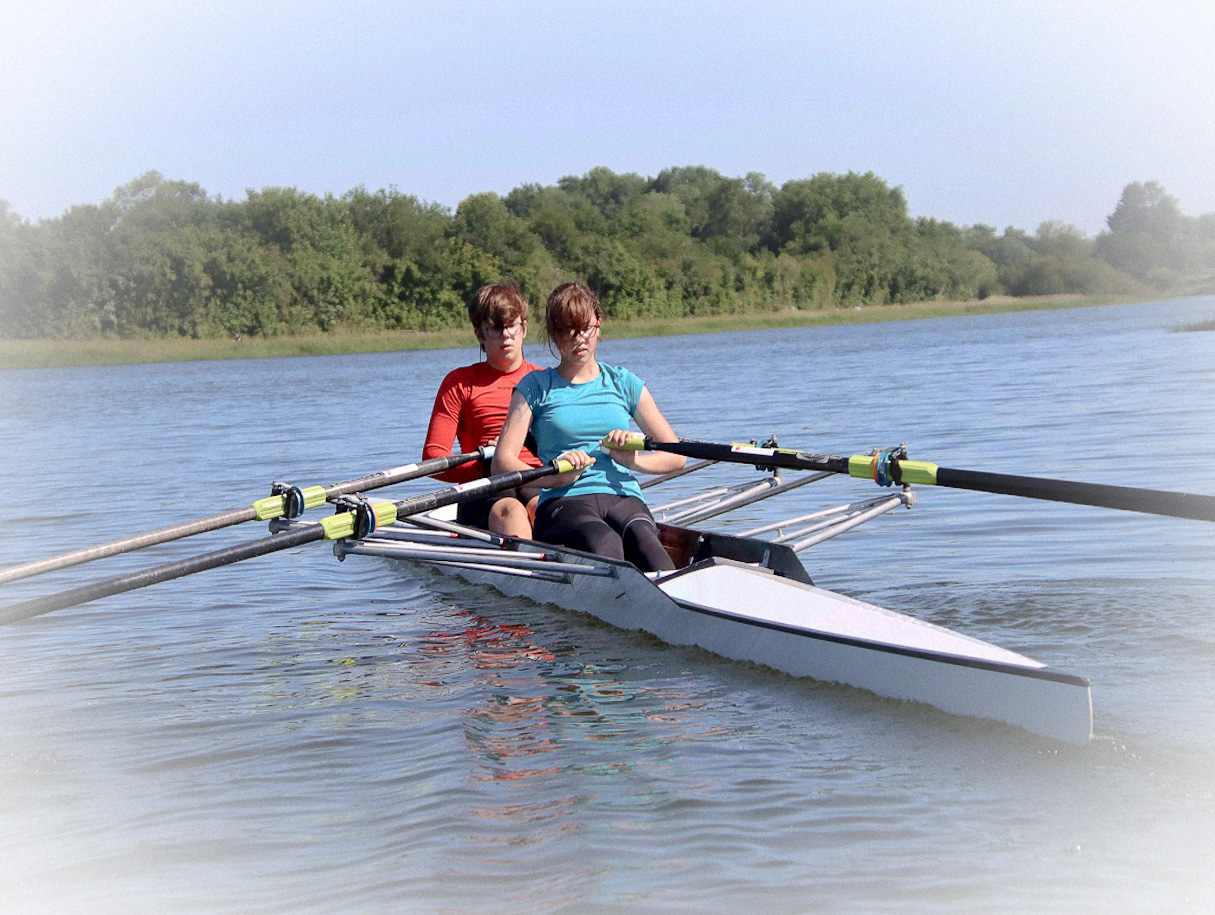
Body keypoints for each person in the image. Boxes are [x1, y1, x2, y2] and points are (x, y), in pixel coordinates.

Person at [492, 282, 685, 571]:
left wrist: (634, 461)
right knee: (605, 543)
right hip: (563, 502)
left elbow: (677, 456)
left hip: (624, 497)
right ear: (555, 335)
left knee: (647, 545)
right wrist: (555, 477)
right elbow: (502, 463)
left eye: (585, 328)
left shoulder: (624, 383)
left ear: (599, 323)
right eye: (568, 330)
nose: (579, 338)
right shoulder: (534, 387)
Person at [422, 283, 542, 537]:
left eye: (511, 326)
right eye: (496, 329)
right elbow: (433, 457)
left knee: (540, 507)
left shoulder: (545, 380)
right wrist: (487, 463)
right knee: (511, 510)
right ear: (480, 335)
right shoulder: (460, 383)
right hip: (483, 488)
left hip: (537, 480)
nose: (506, 336)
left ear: (524, 328)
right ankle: (528, 569)